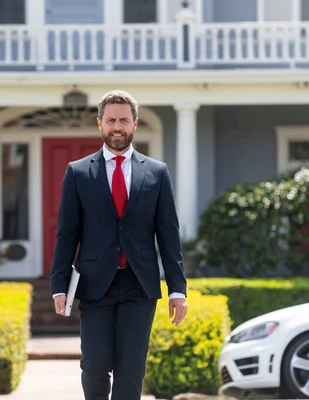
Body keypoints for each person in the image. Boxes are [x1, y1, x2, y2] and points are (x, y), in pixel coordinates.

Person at [50, 89, 188, 400]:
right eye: (111, 120)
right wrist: (59, 284)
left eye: (123, 120)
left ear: (135, 123)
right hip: (95, 284)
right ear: (99, 123)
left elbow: (168, 234)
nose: (117, 126)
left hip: (140, 284)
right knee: (95, 366)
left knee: (131, 369)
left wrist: (177, 289)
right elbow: (67, 232)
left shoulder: (157, 172)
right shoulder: (78, 172)